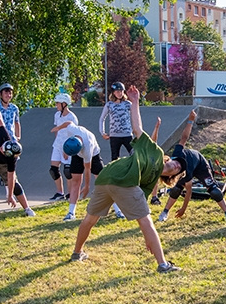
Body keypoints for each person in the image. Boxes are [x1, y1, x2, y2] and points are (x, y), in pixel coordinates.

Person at [71, 85, 184, 273]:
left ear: (170, 178)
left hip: (117, 181)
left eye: (177, 170)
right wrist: (135, 102)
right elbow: (137, 127)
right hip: (107, 177)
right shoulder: (155, 150)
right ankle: (162, 265)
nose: (176, 165)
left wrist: (150, 239)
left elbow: (142, 212)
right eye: (176, 163)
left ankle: (161, 262)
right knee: (91, 219)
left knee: (144, 221)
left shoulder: (150, 182)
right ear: (168, 159)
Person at [158, 109, 226, 224]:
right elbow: (188, 191)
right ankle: (165, 212)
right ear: (173, 176)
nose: (175, 165)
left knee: (214, 190)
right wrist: (183, 208)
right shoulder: (183, 174)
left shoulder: (177, 154)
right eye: (174, 169)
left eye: (171, 164)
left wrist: (190, 121)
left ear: (168, 160)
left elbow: (184, 138)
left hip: (200, 164)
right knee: (176, 190)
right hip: (188, 171)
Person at [51, 120, 107, 221]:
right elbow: (68, 122)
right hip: (77, 154)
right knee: (75, 182)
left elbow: (87, 168)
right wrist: (59, 128)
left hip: (94, 155)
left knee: (103, 181)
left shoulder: (87, 148)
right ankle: (71, 213)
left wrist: (86, 186)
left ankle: (117, 209)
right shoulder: (73, 130)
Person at [50, 92, 78, 201]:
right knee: (53, 170)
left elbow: (73, 135)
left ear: (64, 104)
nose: (56, 105)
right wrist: (57, 142)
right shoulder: (57, 115)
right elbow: (57, 130)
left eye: (58, 103)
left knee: (68, 170)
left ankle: (70, 194)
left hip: (68, 147)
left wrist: (67, 150)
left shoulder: (72, 117)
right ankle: (59, 192)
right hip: (57, 146)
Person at [99, 81, 133, 160]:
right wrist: (102, 132)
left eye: (121, 91)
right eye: (117, 91)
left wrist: (135, 129)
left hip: (127, 134)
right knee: (114, 158)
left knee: (134, 154)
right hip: (114, 135)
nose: (119, 93)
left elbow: (135, 116)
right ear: (113, 92)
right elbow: (102, 119)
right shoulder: (109, 105)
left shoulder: (128, 104)